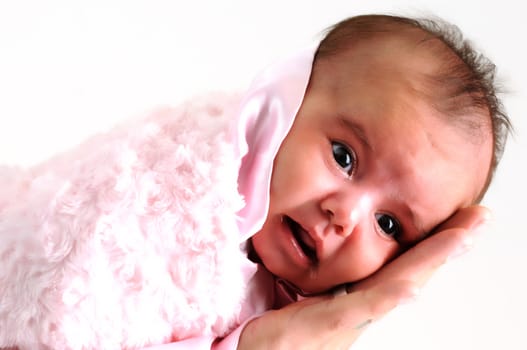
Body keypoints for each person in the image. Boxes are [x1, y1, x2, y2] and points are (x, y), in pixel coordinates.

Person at [0, 14, 510, 350]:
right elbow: (61, 300)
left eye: (389, 223)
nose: (345, 215)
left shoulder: (292, 315)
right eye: (344, 157)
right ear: (280, 109)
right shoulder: (169, 193)